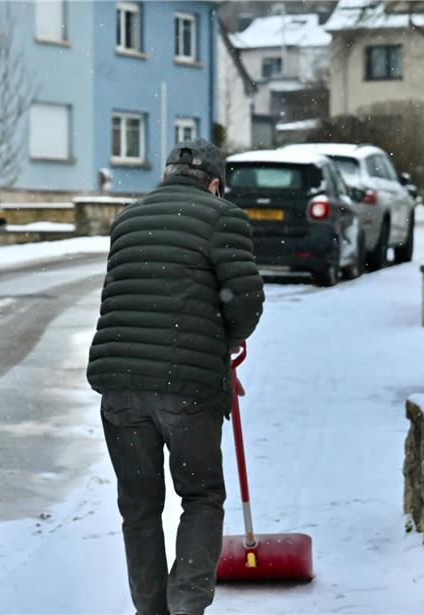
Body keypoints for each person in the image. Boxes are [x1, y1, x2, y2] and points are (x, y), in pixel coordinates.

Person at [87, 138, 265, 615]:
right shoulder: (222, 217)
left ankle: (151, 610)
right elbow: (245, 303)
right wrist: (223, 346)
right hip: (186, 391)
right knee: (202, 496)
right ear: (213, 183)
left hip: (119, 387)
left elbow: (122, 297)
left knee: (139, 508)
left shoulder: (127, 220)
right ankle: (185, 608)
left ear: (167, 176)